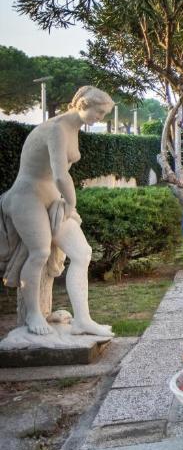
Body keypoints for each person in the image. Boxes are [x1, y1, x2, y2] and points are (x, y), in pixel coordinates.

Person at [0, 86, 115, 337]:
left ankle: (82, 320)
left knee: (82, 253)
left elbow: (60, 175)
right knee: (40, 252)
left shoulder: (73, 128)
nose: (101, 119)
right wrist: (70, 205)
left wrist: (64, 202)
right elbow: (61, 174)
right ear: (83, 105)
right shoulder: (56, 128)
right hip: (26, 195)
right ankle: (33, 313)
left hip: (51, 195)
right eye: (99, 112)